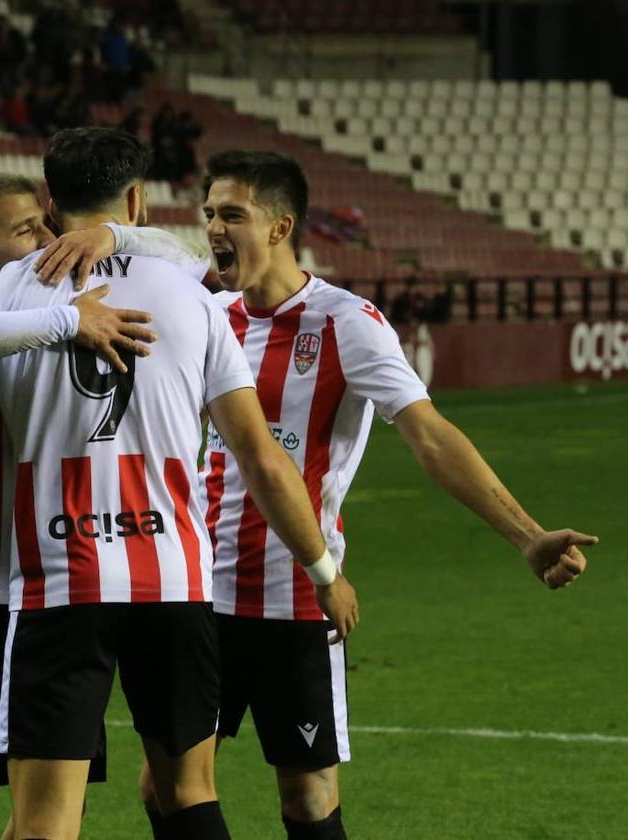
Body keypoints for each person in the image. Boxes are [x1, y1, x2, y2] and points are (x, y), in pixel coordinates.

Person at [32, 149, 597, 840]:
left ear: (280, 226)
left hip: (293, 593)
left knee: (306, 795)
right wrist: (108, 235)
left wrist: (526, 533)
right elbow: (155, 264)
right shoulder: (206, 311)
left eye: (232, 214)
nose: (213, 227)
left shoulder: (345, 321)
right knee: (167, 786)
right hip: (196, 594)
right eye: (208, 212)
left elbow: (430, 438)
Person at [0, 129, 359, 840]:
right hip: (173, 580)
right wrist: (322, 567)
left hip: (60, 581)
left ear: (53, 201)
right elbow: (261, 457)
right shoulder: (193, 297)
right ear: (135, 198)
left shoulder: (4, 299)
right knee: (190, 794)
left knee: (43, 822)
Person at [0, 174, 212, 840]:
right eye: (25, 229)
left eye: (47, 223)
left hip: (60, 592)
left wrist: (112, 234)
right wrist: (69, 322)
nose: (47, 237)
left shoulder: (85, 291)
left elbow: (188, 261)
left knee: (49, 815)